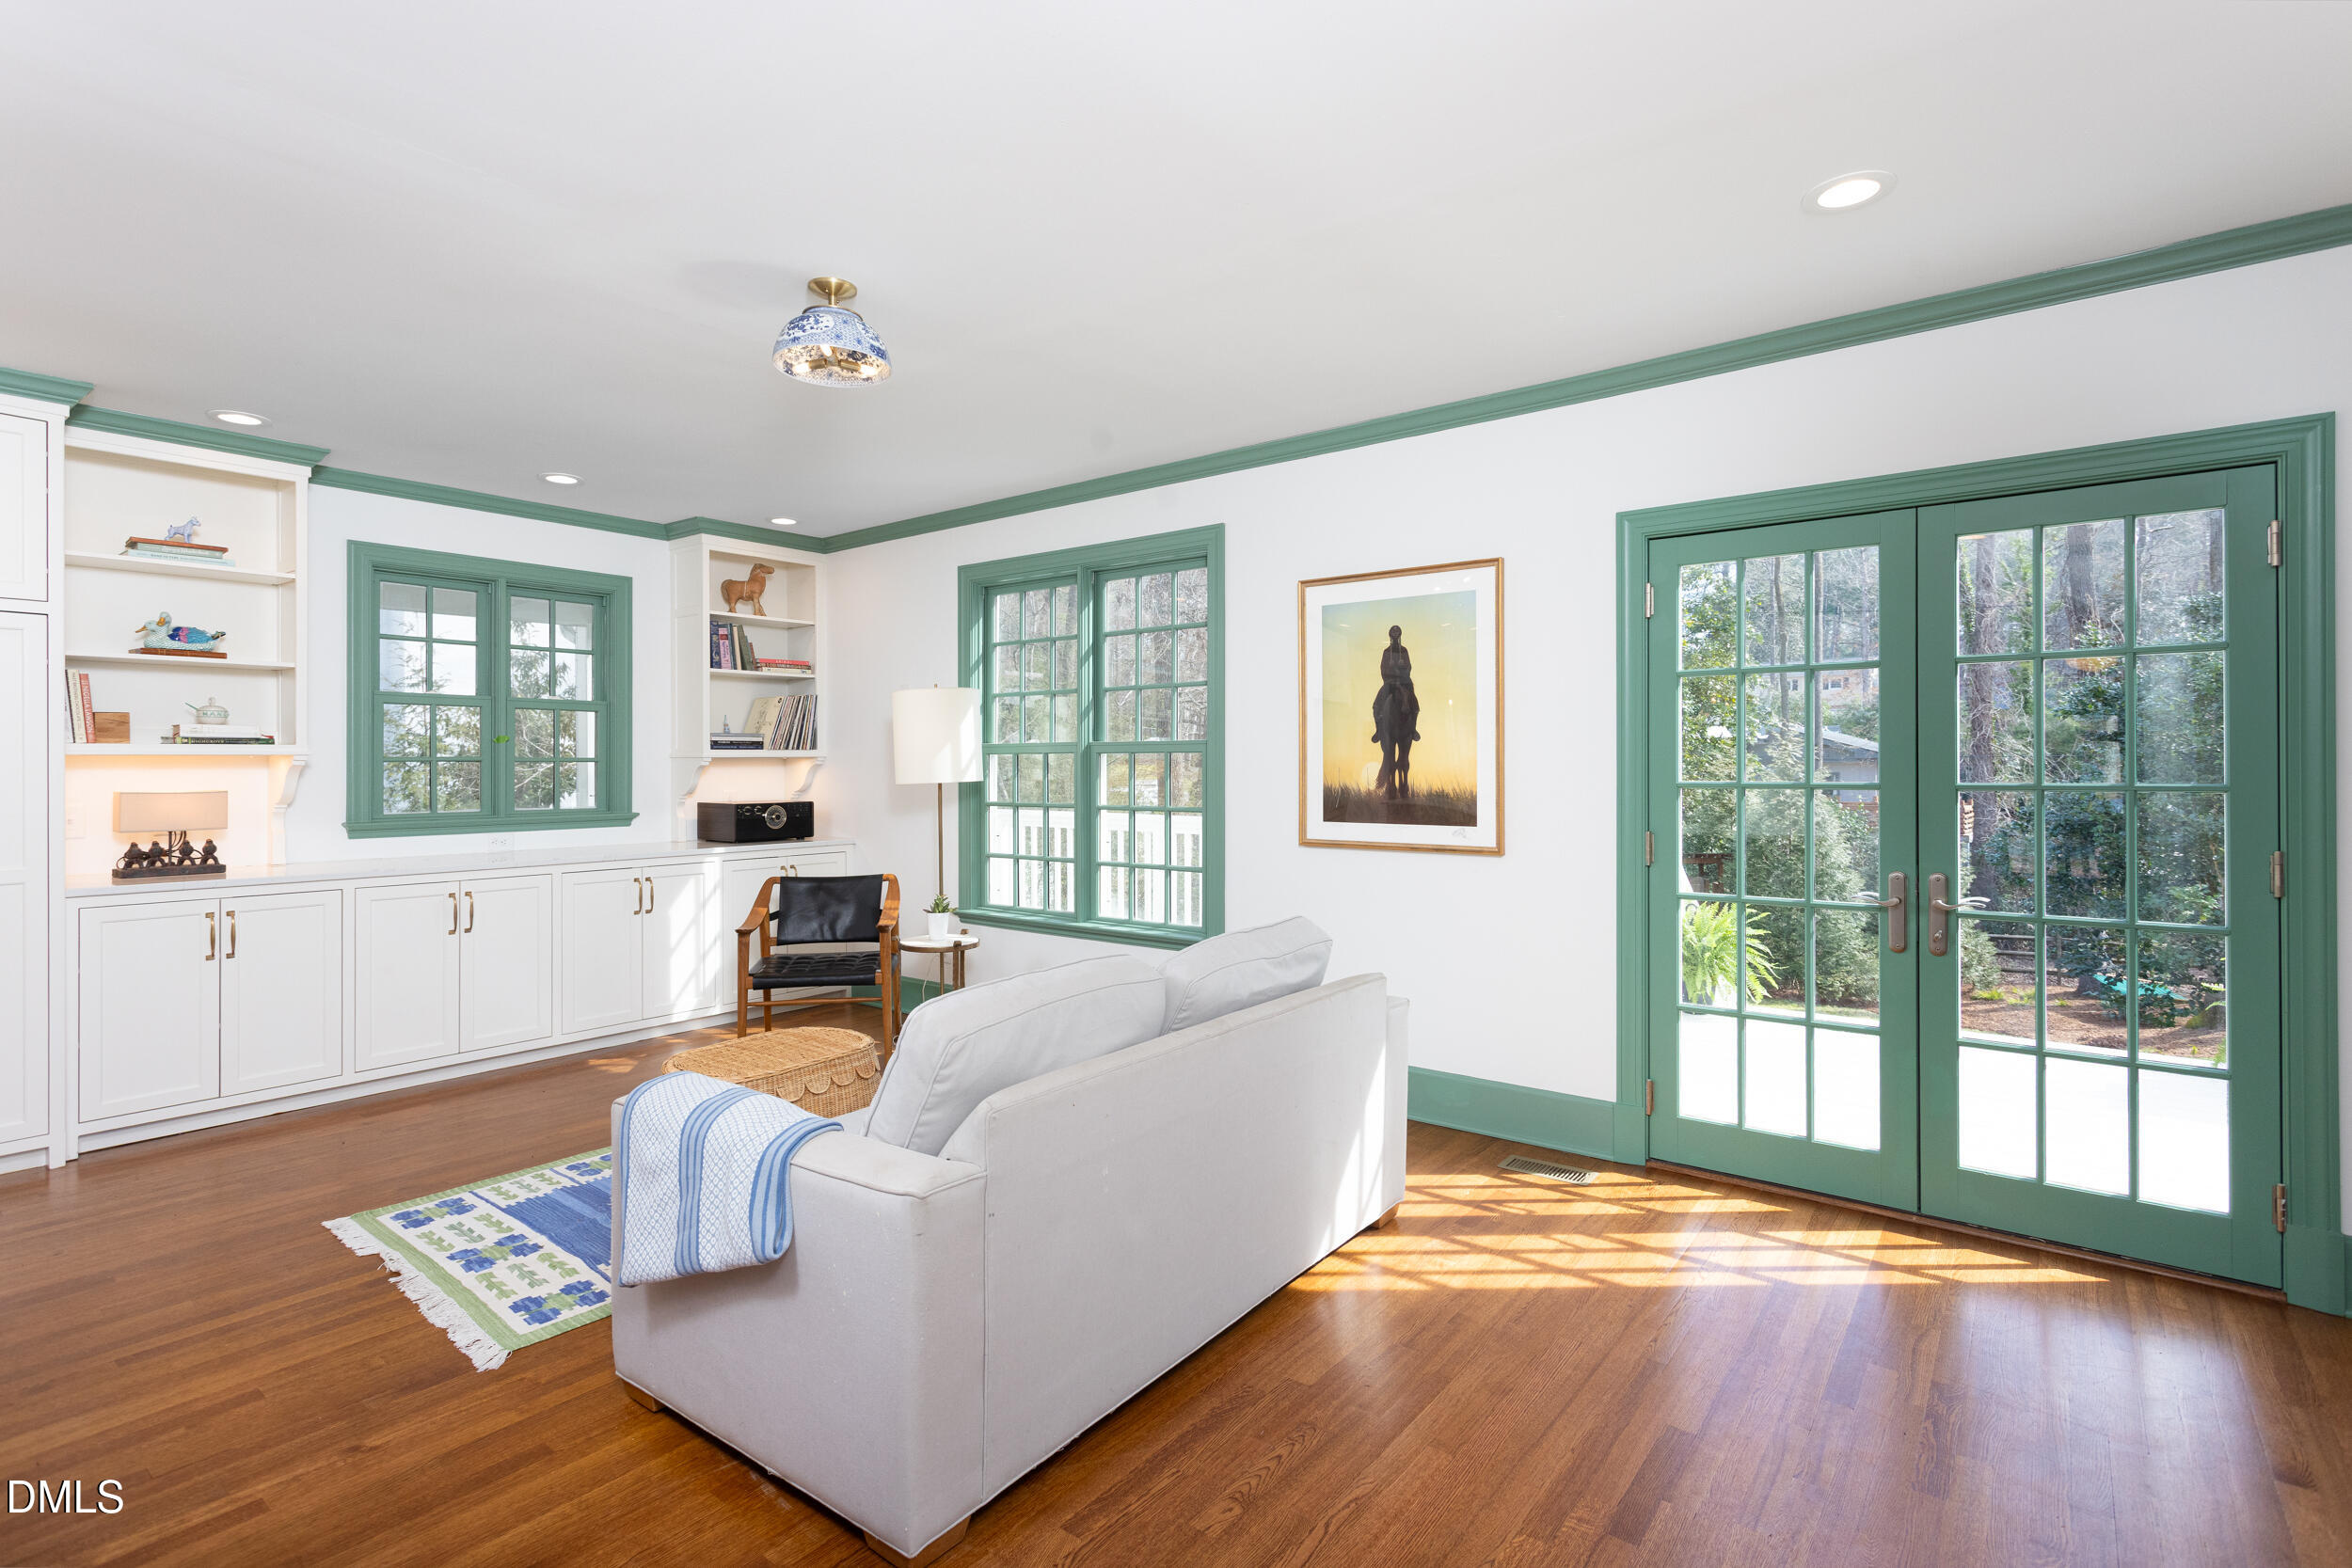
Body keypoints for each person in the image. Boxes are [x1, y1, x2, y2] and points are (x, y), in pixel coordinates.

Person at [1371, 624, 1421, 801]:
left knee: (1414, 703)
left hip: (1404, 682)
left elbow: (1409, 666)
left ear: (1399, 636)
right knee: (1377, 704)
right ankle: (1379, 730)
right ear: (1390, 637)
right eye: (1393, 635)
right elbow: (1382, 669)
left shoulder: (1404, 650)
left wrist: (1402, 675)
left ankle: (1413, 729)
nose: (1395, 637)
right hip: (1390, 683)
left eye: (1397, 635)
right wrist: (1391, 677)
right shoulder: (1386, 652)